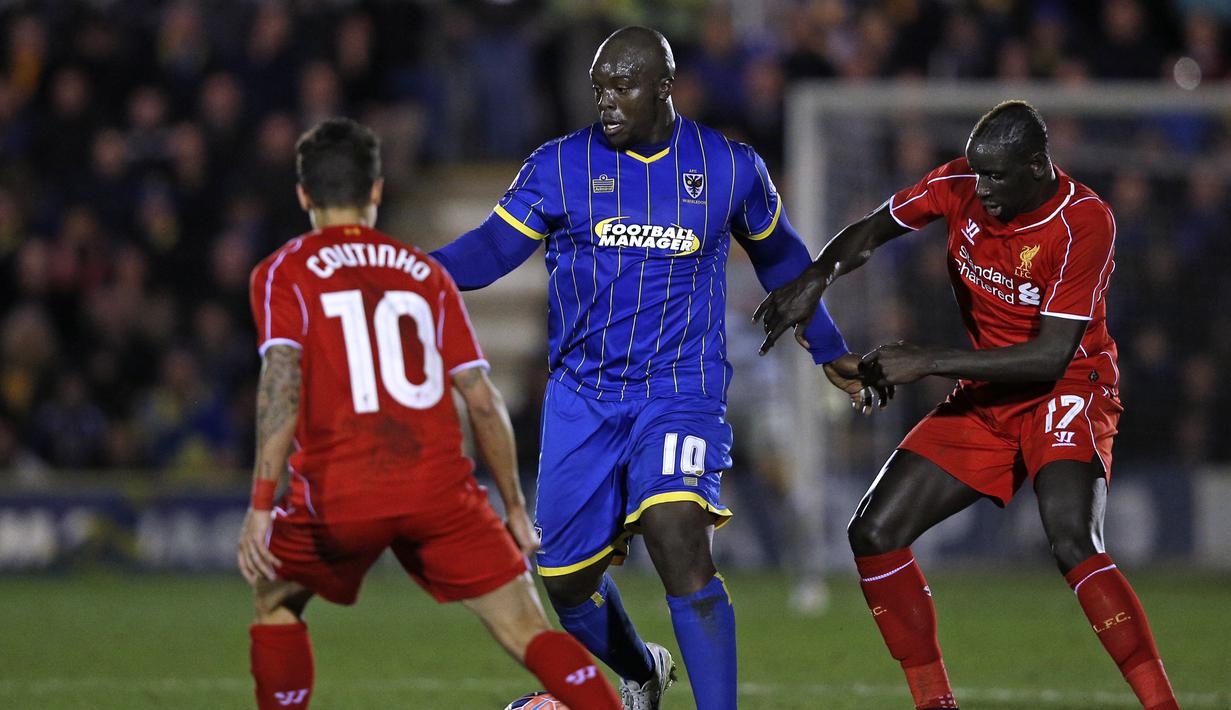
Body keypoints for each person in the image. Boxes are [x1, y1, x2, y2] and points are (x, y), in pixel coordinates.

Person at [430, 26, 868, 710]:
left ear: (664, 87)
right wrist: (410, 272)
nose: (606, 100)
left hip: (680, 390)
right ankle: (640, 670)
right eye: (598, 87)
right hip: (583, 396)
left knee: (675, 530)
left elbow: (783, 260)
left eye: (622, 86)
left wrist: (830, 348)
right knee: (566, 580)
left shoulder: (727, 167)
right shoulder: (558, 166)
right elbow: (489, 250)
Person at [754, 101, 1179, 710]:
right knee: (874, 532)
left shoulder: (1085, 221)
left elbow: (1049, 357)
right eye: (977, 174)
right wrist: (816, 277)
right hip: (987, 394)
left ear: (1038, 167)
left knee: (1072, 539)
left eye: (996, 177)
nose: (982, 188)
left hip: (1069, 388)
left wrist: (927, 360)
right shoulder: (960, 183)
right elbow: (874, 230)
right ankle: (936, 704)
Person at [236, 118, 620, 710]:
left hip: (341, 492)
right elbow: (482, 400)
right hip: (438, 491)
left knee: (274, 598)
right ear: (376, 192)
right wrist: (516, 509)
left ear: (304, 195)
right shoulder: (425, 274)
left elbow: (282, 380)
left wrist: (262, 505)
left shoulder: (282, 272)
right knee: (528, 629)